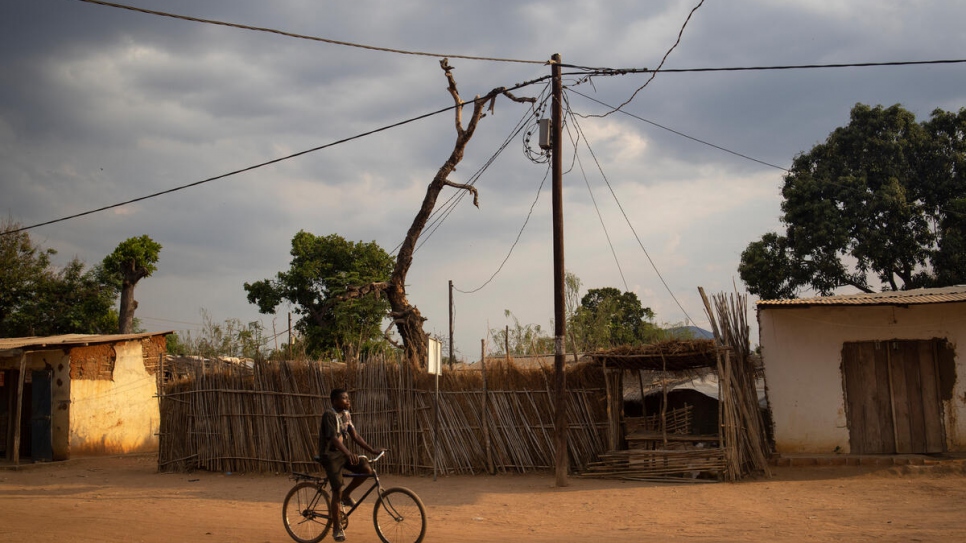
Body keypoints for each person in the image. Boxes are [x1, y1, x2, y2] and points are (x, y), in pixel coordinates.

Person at [318, 388, 385, 542]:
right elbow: (334, 439)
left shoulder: (346, 414)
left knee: (366, 469)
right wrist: (348, 453)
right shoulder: (329, 415)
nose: (348, 401)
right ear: (334, 401)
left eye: (348, 398)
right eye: (344, 398)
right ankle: (336, 529)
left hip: (342, 453)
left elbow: (355, 436)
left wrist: (372, 451)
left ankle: (346, 495)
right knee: (337, 490)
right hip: (330, 455)